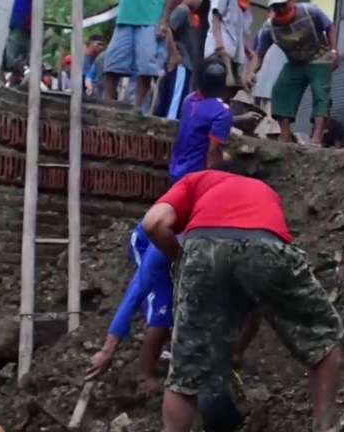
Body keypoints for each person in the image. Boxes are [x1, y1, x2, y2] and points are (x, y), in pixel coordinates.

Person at [142, 169, 344, 432]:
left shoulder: (195, 181)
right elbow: (258, 299)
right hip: (265, 245)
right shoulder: (263, 190)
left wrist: (182, 259)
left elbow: (154, 224)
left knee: (183, 373)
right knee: (322, 338)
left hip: (202, 248)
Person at [86, 61, 235, 394]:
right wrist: (108, 347)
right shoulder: (221, 113)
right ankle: (143, 374)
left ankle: (166, 359)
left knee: (174, 296)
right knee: (158, 300)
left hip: (176, 179)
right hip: (148, 241)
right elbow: (136, 286)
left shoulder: (190, 102)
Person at [255, 0, 339, 144]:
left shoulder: (310, 11)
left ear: (291, 0)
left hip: (319, 57)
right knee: (280, 89)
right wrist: (251, 72)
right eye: (276, 6)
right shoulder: (268, 28)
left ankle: (316, 138)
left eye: (283, 3)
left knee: (321, 94)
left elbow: (330, 27)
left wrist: (334, 51)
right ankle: (285, 135)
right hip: (295, 62)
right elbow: (260, 53)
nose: (280, 8)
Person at [205, 0, 270, 97]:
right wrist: (218, 41)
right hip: (221, 46)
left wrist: (248, 50)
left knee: (232, 88)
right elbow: (216, 14)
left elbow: (242, 29)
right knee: (218, 82)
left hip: (236, 51)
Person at [155, 0, 206, 119]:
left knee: (171, 97)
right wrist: (175, 55)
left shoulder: (187, 13)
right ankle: (170, 129)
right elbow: (169, 30)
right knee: (176, 101)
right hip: (181, 64)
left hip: (184, 65)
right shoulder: (182, 10)